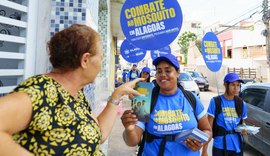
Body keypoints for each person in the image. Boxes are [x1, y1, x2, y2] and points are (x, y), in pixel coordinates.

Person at [0, 24, 144, 155]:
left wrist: (116, 95)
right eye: (100, 58)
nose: (101, 65)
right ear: (85, 60)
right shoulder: (40, 91)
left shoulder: (77, 95)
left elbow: (98, 134)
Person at [121, 54, 212, 156]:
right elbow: (132, 141)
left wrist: (201, 142)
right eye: (159, 71)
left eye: (168, 71)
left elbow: (207, 130)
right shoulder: (144, 98)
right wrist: (129, 129)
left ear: (178, 72)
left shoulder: (191, 98)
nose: (162, 74)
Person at [202, 72, 247, 156]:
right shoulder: (216, 101)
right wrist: (204, 150)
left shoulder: (241, 103)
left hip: (237, 146)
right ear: (225, 85)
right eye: (233, 85)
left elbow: (242, 122)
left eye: (238, 85)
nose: (236, 88)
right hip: (220, 146)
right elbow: (208, 128)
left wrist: (245, 129)